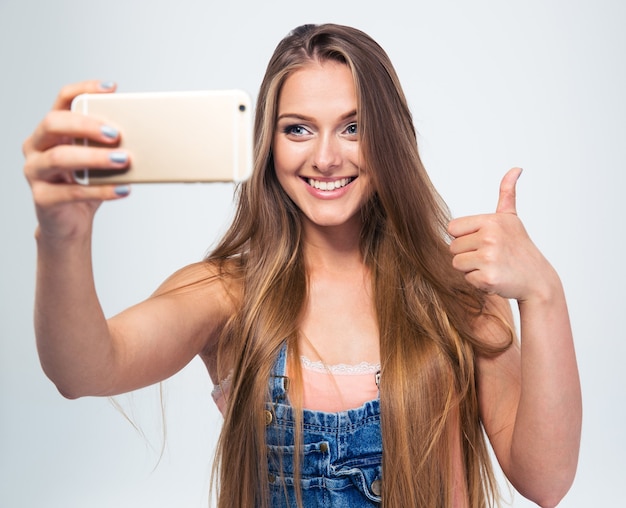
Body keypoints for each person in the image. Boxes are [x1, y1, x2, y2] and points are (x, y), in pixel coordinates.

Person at [22, 23, 581, 508]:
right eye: (299, 129)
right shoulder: (232, 294)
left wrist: (543, 294)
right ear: (269, 144)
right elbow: (85, 369)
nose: (325, 157)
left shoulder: (457, 292)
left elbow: (546, 481)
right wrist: (62, 237)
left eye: (353, 127)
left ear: (390, 138)